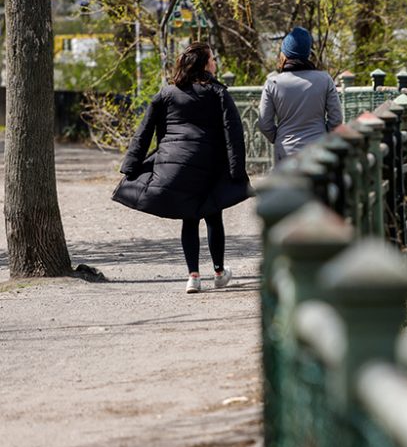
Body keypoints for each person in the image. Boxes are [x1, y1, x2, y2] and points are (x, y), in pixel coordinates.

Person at [112, 42, 251, 294]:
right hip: (208, 163)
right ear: (205, 64)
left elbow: (144, 133)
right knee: (212, 215)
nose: (216, 63)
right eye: (213, 58)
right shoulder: (218, 92)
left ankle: (193, 277)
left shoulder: (166, 93)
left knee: (189, 218)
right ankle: (219, 272)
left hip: (173, 162)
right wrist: (236, 172)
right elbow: (234, 134)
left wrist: (131, 166)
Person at [257, 26, 343, 163]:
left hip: (285, 152)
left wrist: (279, 137)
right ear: (307, 54)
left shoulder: (273, 83)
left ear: (285, 54)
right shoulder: (325, 80)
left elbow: (264, 123)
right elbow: (336, 119)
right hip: (318, 150)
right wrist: (323, 135)